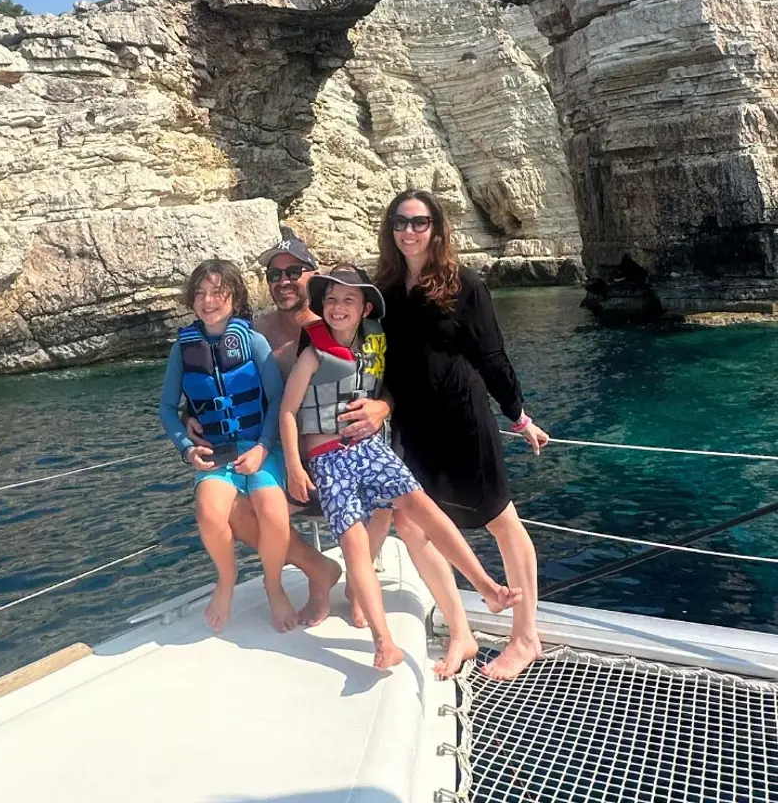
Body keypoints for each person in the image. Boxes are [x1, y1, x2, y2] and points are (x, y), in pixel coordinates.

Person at [279, 264, 523, 669]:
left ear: (365, 309)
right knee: (355, 545)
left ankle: (487, 587)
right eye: (332, 299)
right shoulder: (312, 354)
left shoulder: (373, 344)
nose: (338, 306)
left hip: (368, 448)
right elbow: (288, 411)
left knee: (420, 504)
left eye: (349, 299)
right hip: (328, 458)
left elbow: (391, 388)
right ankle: (383, 641)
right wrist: (293, 465)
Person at [375, 189, 551, 680]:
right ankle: (461, 632)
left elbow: (492, 357)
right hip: (412, 425)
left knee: (500, 520)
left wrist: (518, 416)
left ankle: (525, 637)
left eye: (420, 222)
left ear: (437, 228)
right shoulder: (385, 290)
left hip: (462, 418)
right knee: (411, 523)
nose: (409, 231)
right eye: (400, 222)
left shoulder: (464, 285)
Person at [187, 233, 392, 628]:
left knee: (384, 500)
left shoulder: (339, 324)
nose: (283, 281)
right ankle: (317, 568)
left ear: (313, 275)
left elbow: (386, 381)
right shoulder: (251, 333)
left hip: (335, 455)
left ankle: (357, 583)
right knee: (234, 509)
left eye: (294, 271)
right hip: (281, 460)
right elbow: (210, 382)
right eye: (274, 274)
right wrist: (187, 418)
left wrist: (383, 407)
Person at [159, 259, 297, 634]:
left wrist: (263, 448)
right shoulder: (182, 350)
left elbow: (277, 398)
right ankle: (226, 578)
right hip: (216, 453)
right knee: (208, 511)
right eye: (200, 293)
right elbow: (167, 409)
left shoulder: (253, 341)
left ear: (234, 297)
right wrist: (187, 447)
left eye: (217, 292)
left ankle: (273, 585)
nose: (208, 301)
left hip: (260, 447)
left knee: (273, 512)